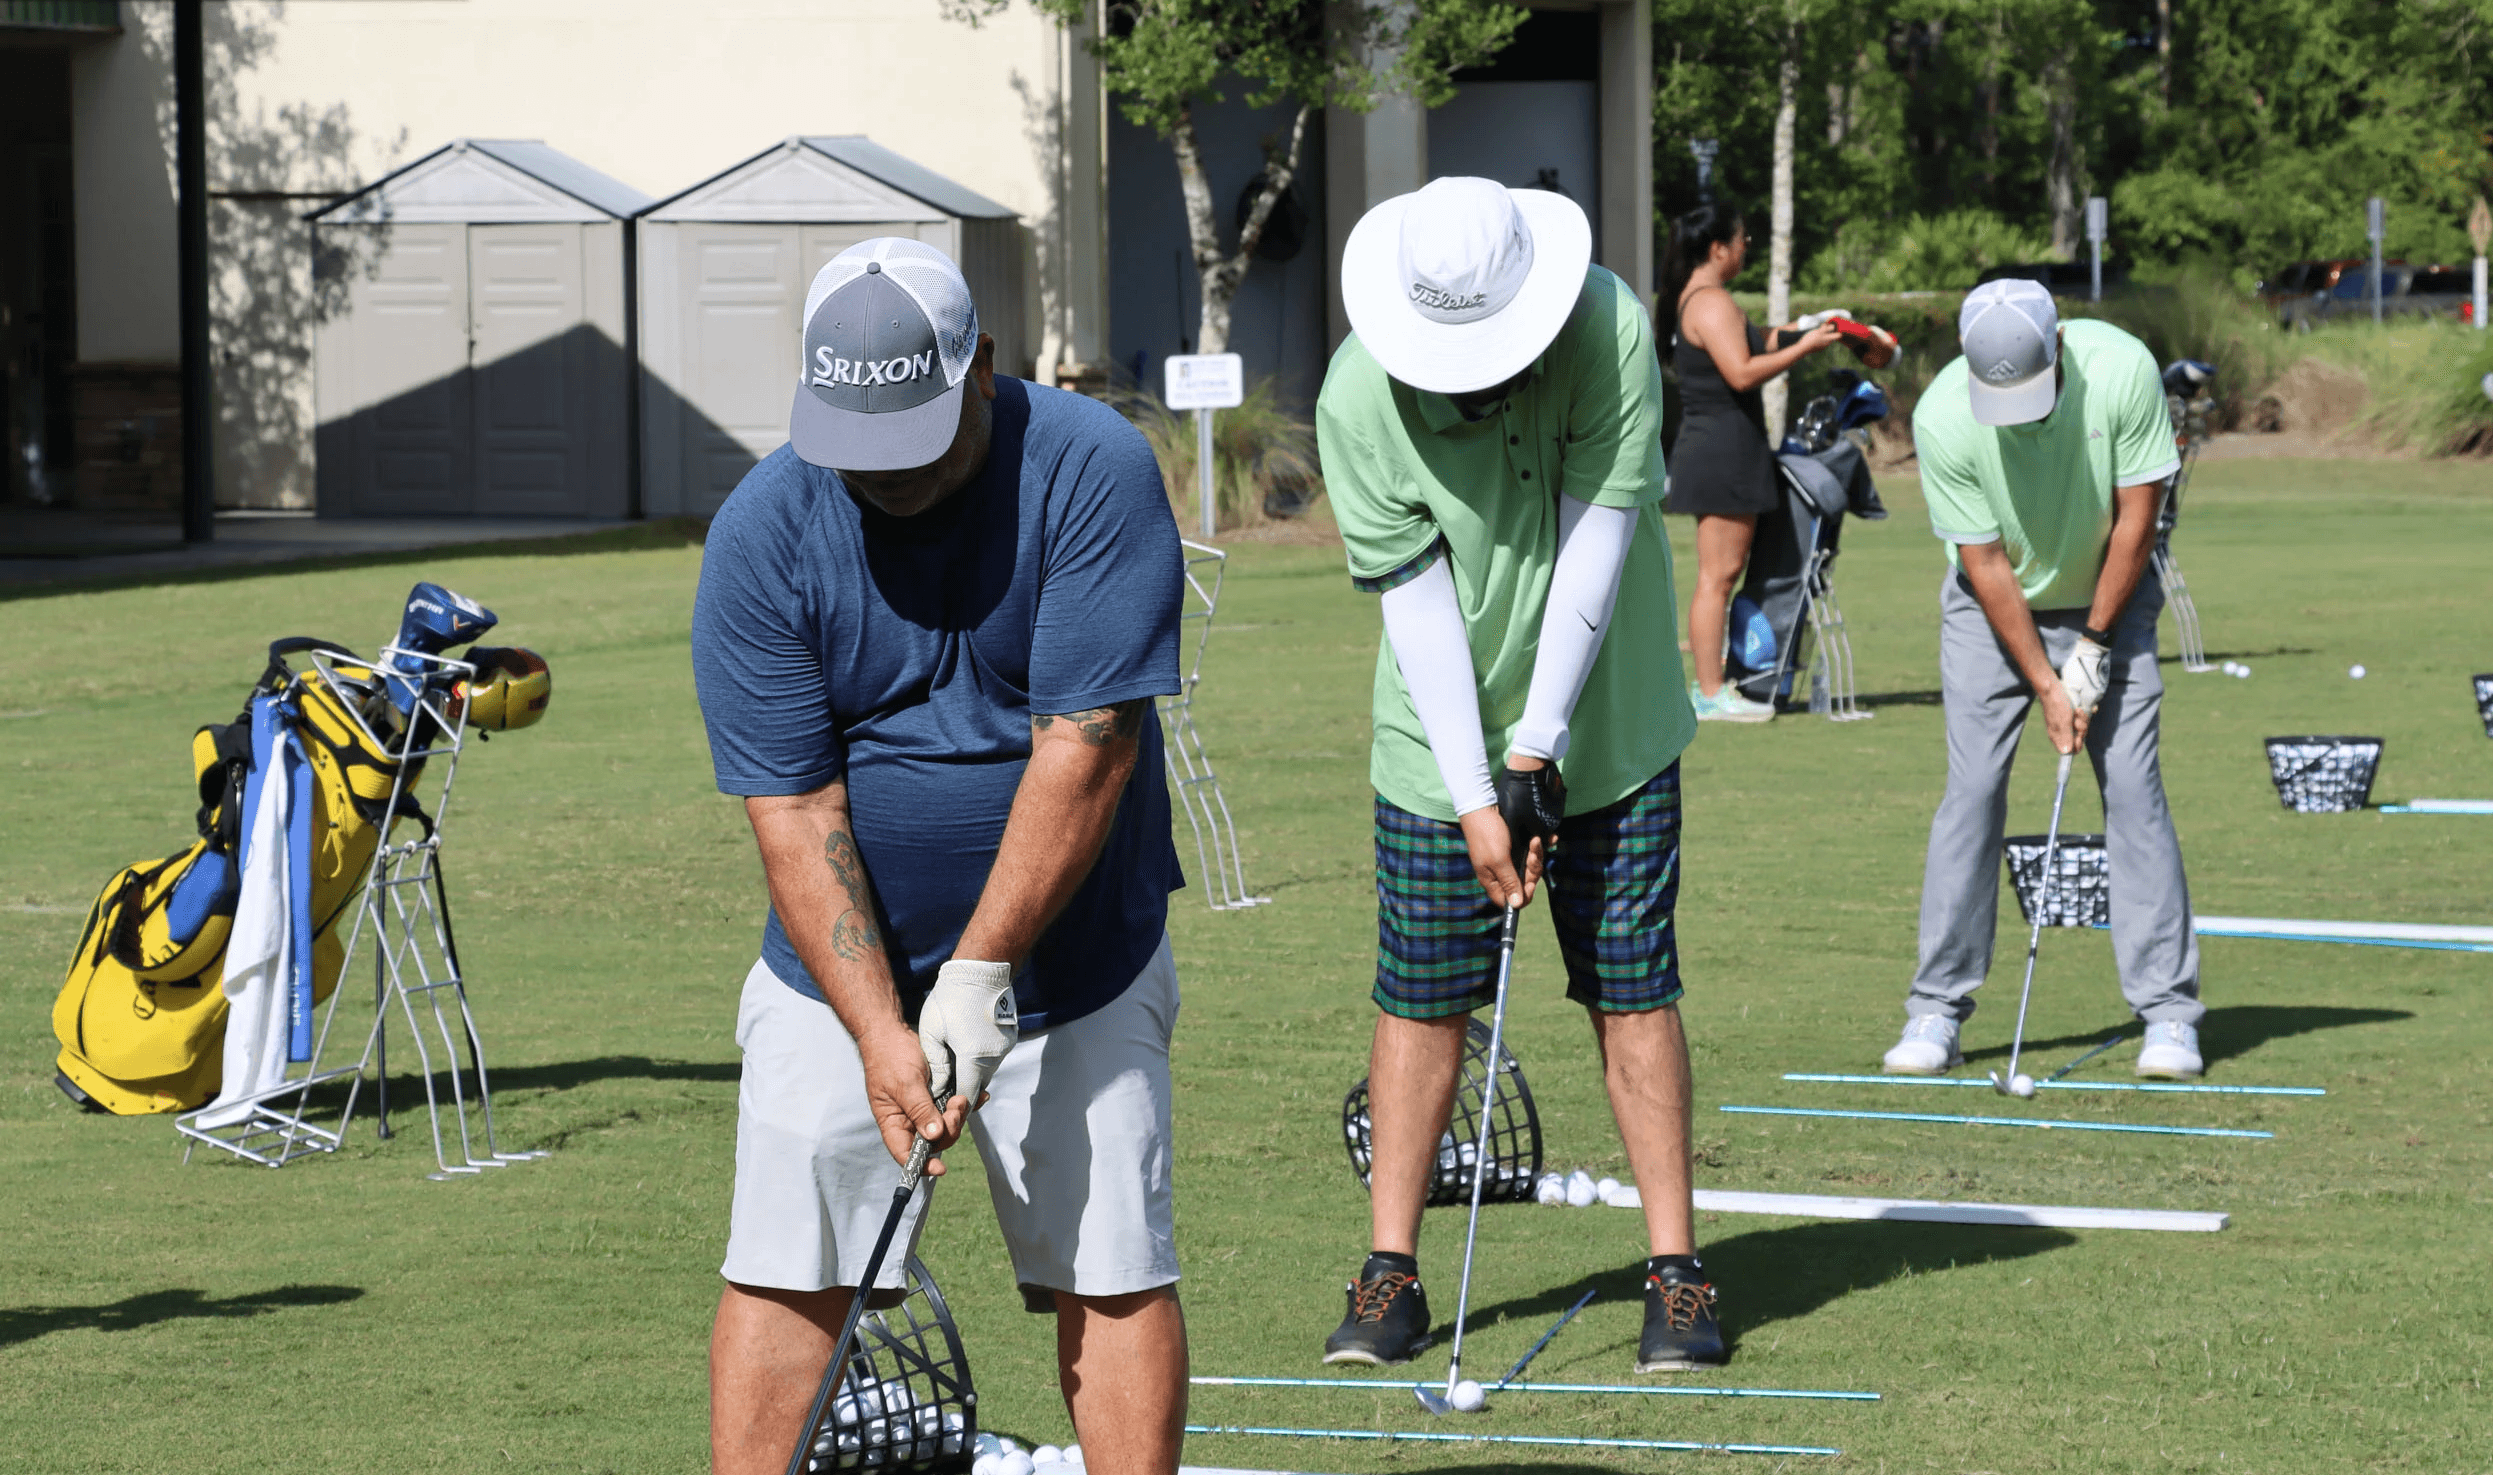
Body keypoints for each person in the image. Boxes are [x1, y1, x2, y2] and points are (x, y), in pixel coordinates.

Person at [691, 238, 1190, 1475]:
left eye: (907, 432)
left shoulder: (1088, 468)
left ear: (978, 370)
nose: (879, 472)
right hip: (833, 975)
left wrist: (979, 970)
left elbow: (1087, 747)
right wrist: (876, 1027)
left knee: (1109, 1260)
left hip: (1079, 958)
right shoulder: (762, 529)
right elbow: (794, 810)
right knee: (787, 1263)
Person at [1313, 176, 1726, 1374]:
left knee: (1633, 987)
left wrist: (1537, 750)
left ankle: (1676, 1272)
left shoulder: (1607, 330)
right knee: (1421, 994)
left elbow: (1601, 537)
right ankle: (1389, 1269)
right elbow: (1419, 604)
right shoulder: (1357, 396)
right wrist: (1478, 792)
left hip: (1617, 723)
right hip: (1436, 745)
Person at [1881, 278, 2205, 1081]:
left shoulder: (2122, 369)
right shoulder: (1943, 416)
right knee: (1972, 791)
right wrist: (2048, 683)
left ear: (2056, 347)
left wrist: (2093, 643)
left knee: (2132, 789)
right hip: (1993, 614)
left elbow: (2139, 516)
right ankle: (1935, 1007)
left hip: (2111, 594)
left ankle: (2167, 1015)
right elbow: (1983, 563)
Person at [1659, 203, 1848, 723]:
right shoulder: (1711, 301)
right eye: (1741, 239)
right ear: (1718, 247)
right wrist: (1806, 348)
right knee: (1717, 577)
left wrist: (1805, 328)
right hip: (1721, 450)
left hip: (1725, 448)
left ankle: (1715, 680)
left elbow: (1758, 341)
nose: (1746, 248)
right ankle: (1710, 690)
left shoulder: (1704, 300)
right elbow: (1742, 372)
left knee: (1723, 572)